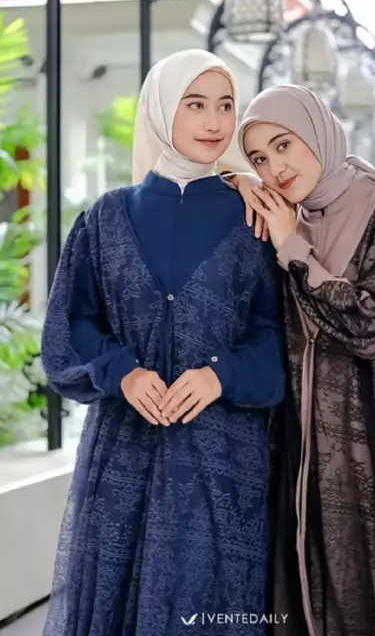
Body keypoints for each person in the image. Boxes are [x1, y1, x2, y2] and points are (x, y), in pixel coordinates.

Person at [41, 50, 285, 636]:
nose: (214, 122)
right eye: (195, 105)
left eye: (225, 106)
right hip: (122, 458)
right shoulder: (105, 219)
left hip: (224, 462)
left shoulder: (256, 217)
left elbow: (281, 334)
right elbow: (70, 327)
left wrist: (220, 375)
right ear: (160, 109)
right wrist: (123, 372)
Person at [228, 84, 375, 636]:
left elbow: (368, 325)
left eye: (284, 145)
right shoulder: (285, 216)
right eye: (259, 158)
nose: (275, 168)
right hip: (300, 446)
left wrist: (293, 248)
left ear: (318, 134)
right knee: (307, 587)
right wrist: (233, 180)